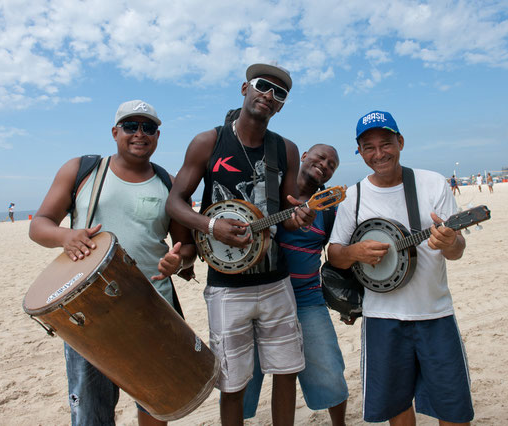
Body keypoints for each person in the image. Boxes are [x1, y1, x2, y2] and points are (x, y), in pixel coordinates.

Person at [29, 99, 196, 426]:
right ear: (115, 131)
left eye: (148, 128)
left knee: (156, 403)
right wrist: (66, 236)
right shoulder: (82, 170)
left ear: (157, 135)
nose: (140, 134)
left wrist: (178, 261)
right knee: (91, 410)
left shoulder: (169, 183)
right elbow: (39, 224)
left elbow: (186, 246)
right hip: (89, 312)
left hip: (153, 306)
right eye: (131, 126)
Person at [166, 63, 315, 425]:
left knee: (287, 371)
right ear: (245, 88)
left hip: (276, 281)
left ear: (281, 106)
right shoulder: (209, 142)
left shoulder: (286, 149)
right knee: (231, 382)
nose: (269, 95)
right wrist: (211, 226)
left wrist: (299, 216)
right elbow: (174, 202)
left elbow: (290, 206)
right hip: (227, 286)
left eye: (279, 94)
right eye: (263, 86)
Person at [328, 110, 474, 425]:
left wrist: (449, 242)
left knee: (453, 406)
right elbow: (335, 256)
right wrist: (355, 251)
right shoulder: (353, 197)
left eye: (386, 143)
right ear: (360, 152)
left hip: (434, 314)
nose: (379, 153)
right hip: (382, 319)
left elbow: (458, 250)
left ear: (401, 142)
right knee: (396, 406)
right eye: (369, 147)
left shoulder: (432, 183)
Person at [242, 143, 349, 425]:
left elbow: (335, 253)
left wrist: (347, 304)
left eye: (332, 165)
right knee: (242, 376)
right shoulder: (271, 195)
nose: (325, 165)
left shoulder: (328, 208)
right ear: (303, 156)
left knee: (329, 368)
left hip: (307, 298)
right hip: (260, 296)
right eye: (321, 157)